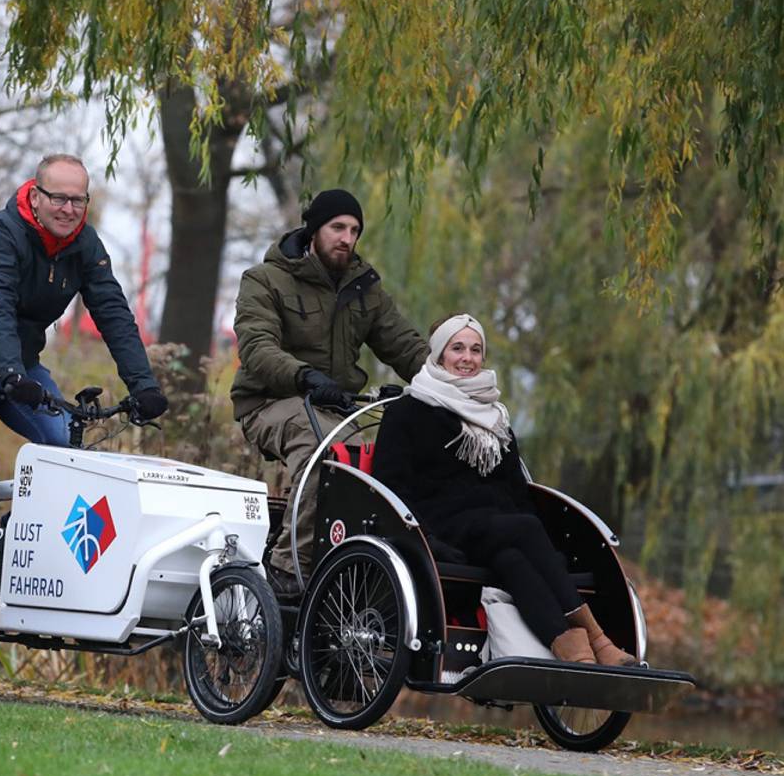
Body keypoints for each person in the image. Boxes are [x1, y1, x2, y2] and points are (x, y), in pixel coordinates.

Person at [0, 152, 168, 646]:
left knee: (70, 461)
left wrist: (143, 384)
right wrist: (12, 373)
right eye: (58, 197)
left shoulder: (84, 245)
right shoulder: (3, 233)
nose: (69, 208)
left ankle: (45, 588)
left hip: (22, 369)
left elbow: (113, 312)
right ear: (36, 195)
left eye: (79, 199)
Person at [371, 314, 637, 666]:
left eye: (476, 350)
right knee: (523, 529)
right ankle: (598, 638)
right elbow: (391, 481)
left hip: (495, 530)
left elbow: (515, 490)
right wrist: (423, 535)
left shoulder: (494, 416)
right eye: (458, 348)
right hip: (437, 523)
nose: (467, 358)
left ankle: (572, 651)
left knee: (513, 559)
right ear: (438, 354)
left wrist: (544, 547)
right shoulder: (408, 410)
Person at [231, 188, 429, 597]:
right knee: (329, 454)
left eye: (354, 230)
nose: (347, 237)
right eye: (337, 227)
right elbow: (256, 348)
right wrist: (304, 376)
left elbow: (404, 345)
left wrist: (454, 383)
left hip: (338, 407)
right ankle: (287, 572)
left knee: (378, 465)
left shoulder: (364, 287)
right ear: (313, 230)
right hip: (270, 402)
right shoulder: (265, 279)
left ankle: (351, 574)